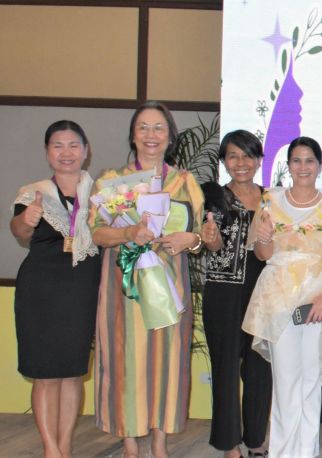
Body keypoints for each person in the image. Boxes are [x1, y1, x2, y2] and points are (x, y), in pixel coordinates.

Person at [88, 101, 204, 458]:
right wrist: (129, 234)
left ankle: (160, 443)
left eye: (158, 128)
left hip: (169, 284)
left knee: (167, 361)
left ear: (169, 136)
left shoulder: (184, 182)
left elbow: (200, 235)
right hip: (124, 288)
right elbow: (96, 233)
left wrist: (191, 240)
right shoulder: (111, 182)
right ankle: (129, 444)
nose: (151, 135)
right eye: (143, 127)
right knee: (125, 359)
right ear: (133, 135)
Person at [242, 136, 322, 457]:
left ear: (320, 166)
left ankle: (306, 452)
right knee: (286, 380)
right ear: (288, 165)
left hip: (317, 298)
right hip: (279, 297)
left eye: (309, 161)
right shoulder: (271, 200)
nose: (303, 167)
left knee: (311, 378)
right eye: (296, 161)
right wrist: (264, 238)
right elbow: (263, 255)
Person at [10, 120, 101, 458]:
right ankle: (51, 449)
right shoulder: (34, 193)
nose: (67, 152)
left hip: (83, 292)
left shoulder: (101, 195)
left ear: (86, 150)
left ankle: (65, 447)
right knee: (46, 375)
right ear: (47, 152)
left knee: (73, 373)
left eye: (74, 145)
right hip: (41, 293)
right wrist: (27, 220)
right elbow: (20, 231)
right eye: (58, 146)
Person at [200, 130, 272, 457]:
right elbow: (211, 243)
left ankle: (256, 439)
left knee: (260, 368)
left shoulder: (272, 198)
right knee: (226, 368)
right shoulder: (212, 196)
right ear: (224, 161)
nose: (240, 163)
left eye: (247, 156)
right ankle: (229, 444)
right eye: (233, 156)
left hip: (264, 293)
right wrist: (211, 238)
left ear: (258, 160)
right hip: (224, 293)